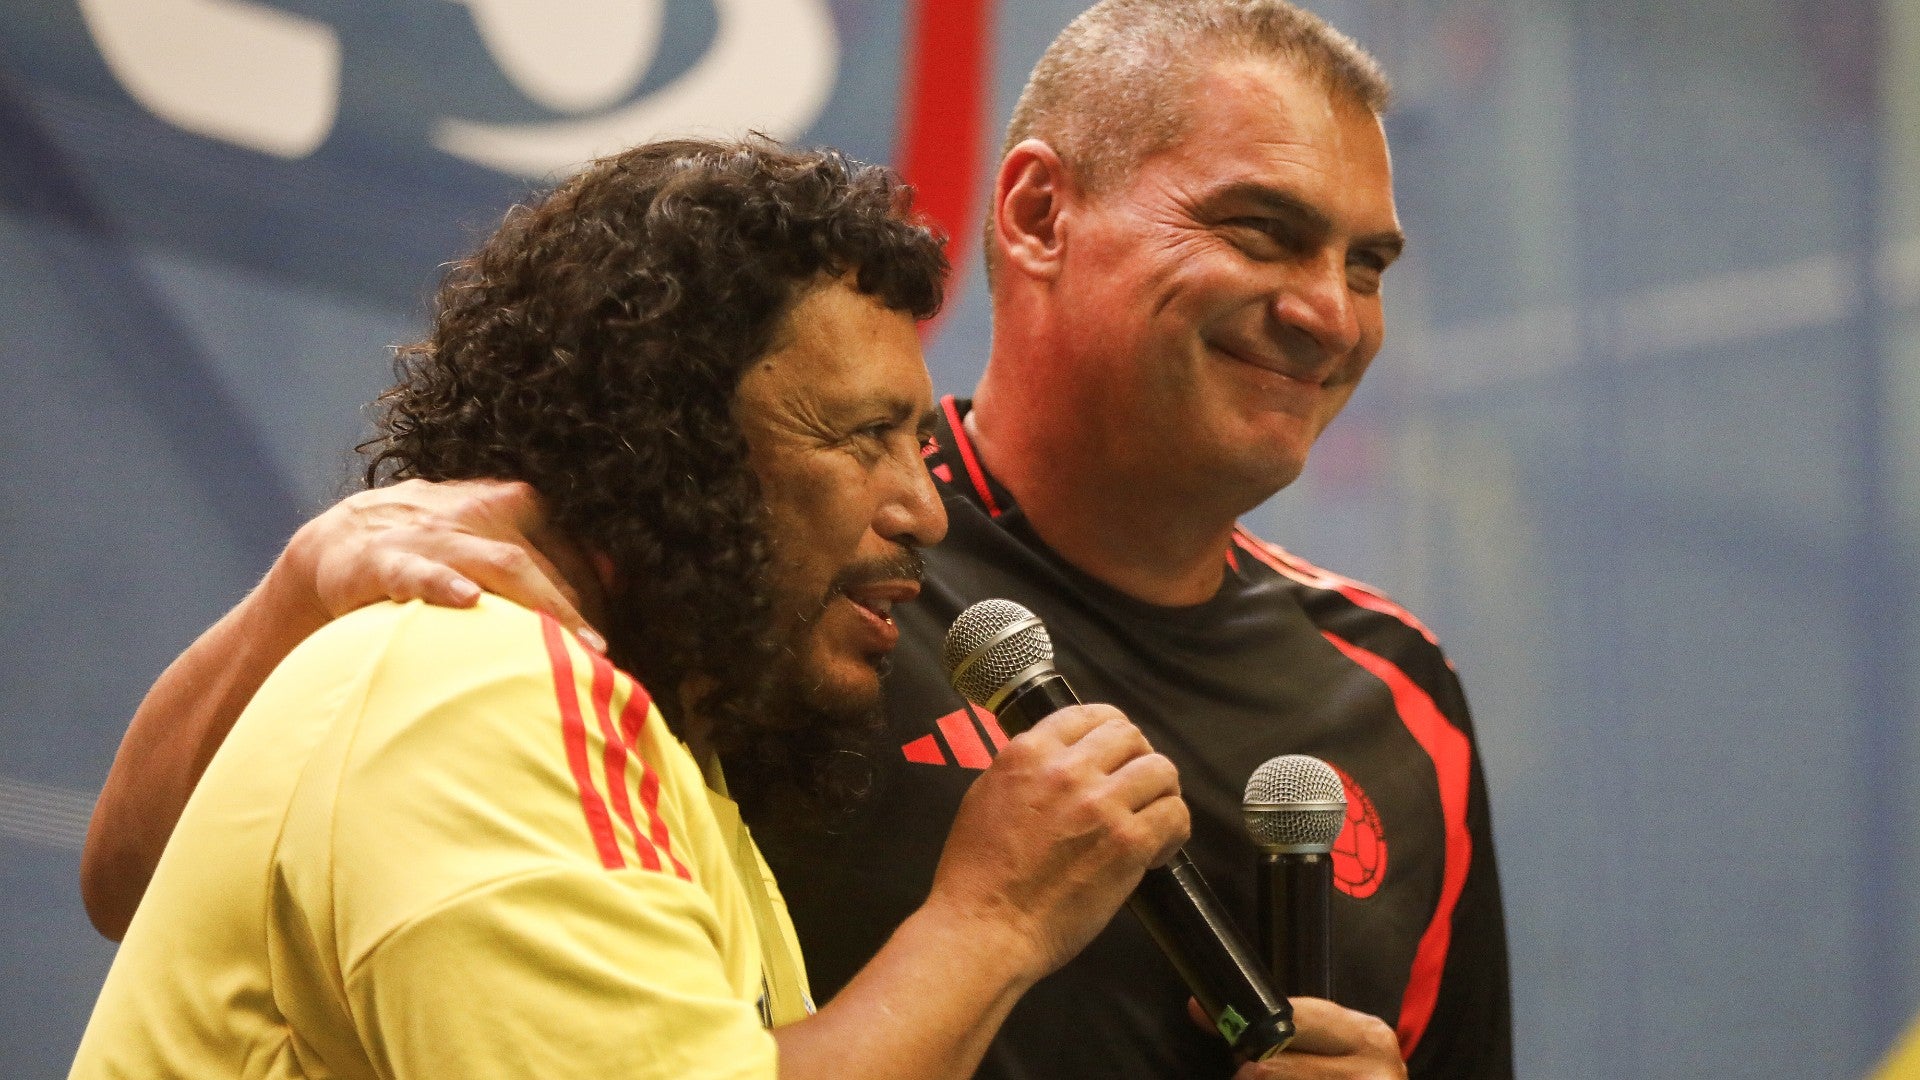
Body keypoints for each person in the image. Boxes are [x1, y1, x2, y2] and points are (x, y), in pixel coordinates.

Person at [84, 2, 1513, 1078]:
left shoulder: (1398, 697)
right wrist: (304, 583)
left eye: (1368, 263)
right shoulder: (720, 578)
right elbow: (145, 874)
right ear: (1037, 213)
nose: (1328, 308)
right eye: (1263, 232)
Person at [69, 138, 1194, 1080]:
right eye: (861, 438)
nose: (925, 511)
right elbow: (124, 881)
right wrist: (990, 924)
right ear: (671, 442)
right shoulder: (490, 686)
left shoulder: (676, 765)